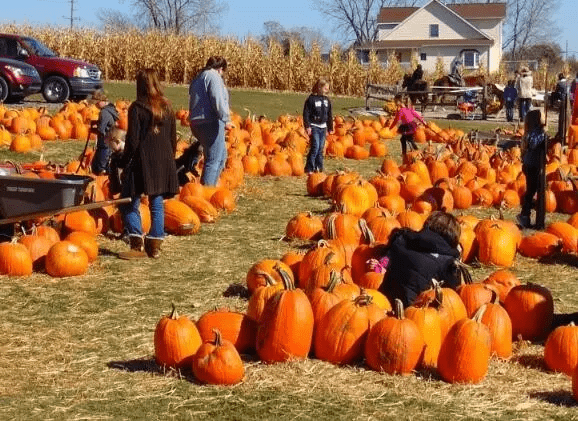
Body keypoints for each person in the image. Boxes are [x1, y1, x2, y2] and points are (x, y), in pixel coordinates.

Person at [118, 68, 178, 260]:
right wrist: (169, 159)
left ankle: (136, 242)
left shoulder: (137, 108)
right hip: (164, 160)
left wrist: (124, 162)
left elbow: (133, 141)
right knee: (156, 202)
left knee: (128, 201)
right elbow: (172, 139)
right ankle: (155, 245)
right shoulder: (167, 106)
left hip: (142, 160)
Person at [378, 211, 464, 308]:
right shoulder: (447, 262)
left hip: (384, 304)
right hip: (416, 312)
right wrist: (458, 258)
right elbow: (454, 294)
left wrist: (378, 268)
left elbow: (383, 262)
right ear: (453, 238)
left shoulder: (403, 239)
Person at [188, 56, 232, 186]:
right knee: (213, 159)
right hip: (210, 122)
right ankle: (207, 191)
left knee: (221, 155)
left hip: (196, 122)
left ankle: (212, 186)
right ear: (220, 69)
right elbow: (217, 100)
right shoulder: (213, 77)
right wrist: (226, 119)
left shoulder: (198, 78)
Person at [517, 108, 548, 229]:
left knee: (535, 189)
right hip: (531, 166)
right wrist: (543, 134)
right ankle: (524, 215)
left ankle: (529, 210)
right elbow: (534, 143)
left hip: (533, 165)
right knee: (531, 191)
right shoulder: (534, 132)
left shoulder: (534, 131)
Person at [302, 77, 333, 174]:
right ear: (319, 87)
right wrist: (307, 126)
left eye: (328, 88)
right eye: (325, 87)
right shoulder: (311, 99)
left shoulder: (327, 100)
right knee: (315, 147)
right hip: (314, 126)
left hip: (323, 127)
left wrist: (330, 128)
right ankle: (309, 168)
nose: (327, 89)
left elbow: (329, 115)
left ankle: (319, 167)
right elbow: (306, 114)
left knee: (320, 148)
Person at [389, 95, 426, 161]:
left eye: (395, 101)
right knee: (406, 139)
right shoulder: (408, 109)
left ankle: (413, 152)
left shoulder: (400, 111)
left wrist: (392, 128)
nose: (394, 103)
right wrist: (423, 122)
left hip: (408, 126)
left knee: (406, 139)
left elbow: (397, 120)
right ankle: (409, 152)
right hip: (412, 125)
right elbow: (416, 115)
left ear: (399, 102)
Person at [90, 91, 120, 175]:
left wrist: (92, 130)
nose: (96, 106)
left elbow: (101, 130)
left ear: (101, 101)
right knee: (106, 165)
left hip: (104, 144)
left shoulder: (104, 113)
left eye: (97, 103)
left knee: (99, 168)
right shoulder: (111, 110)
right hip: (110, 141)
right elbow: (108, 123)